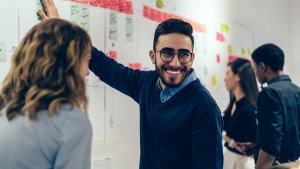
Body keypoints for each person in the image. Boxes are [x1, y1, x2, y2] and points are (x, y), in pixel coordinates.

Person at [38, 0, 224, 168]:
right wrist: (61, 29)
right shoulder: (149, 84)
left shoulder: (204, 108)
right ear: (153, 56)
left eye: (183, 54)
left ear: (192, 58)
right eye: (167, 53)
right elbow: (106, 67)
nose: (175, 63)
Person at [0, 18, 93, 169]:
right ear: (68, 66)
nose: (87, 72)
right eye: (86, 60)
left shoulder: (5, 108)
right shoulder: (71, 122)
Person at [251, 43, 300, 169]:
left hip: (277, 165)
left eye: (255, 68)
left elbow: (271, 143)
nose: (256, 74)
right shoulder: (297, 90)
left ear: (262, 67)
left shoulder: (269, 93)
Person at [222, 58, 259, 169]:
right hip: (229, 158)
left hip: (242, 163)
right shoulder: (233, 104)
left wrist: (229, 140)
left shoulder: (250, 109)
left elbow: (253, 145)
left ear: (238, 77)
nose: (225, 79)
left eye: (228, 74)